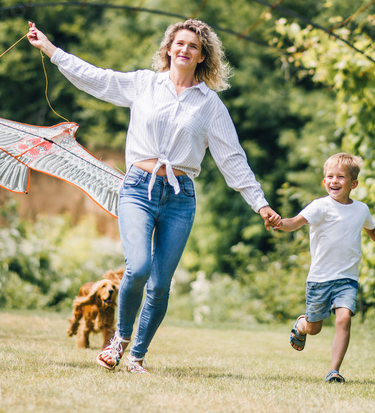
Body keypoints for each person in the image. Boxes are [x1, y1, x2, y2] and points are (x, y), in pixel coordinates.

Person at [27, 19, 282, 373]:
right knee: (139, 268)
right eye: (179, 43)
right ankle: (119, 340)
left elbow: (232, 158)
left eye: (193, 46)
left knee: (160, 284)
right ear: (168, 48)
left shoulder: (210, 105)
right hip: (137, 188)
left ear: (202, 55)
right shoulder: (144, 84)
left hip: (180, 197)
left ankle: (137, 356)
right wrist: (52, 51)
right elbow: (96, 78)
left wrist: (260, 203)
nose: (184, 49)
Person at [277, 152, 375, 383]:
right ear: (324, 181)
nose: (334, 181)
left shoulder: (361, 210)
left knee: (344, 318)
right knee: (314, 328)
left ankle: (334, 370)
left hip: (347, 278)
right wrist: (279, 223)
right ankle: (301, 324)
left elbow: (373, 230)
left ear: (353, 183)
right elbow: (294, 223)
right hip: (319, 279)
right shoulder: (319, 207)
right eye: (330, 176)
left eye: (340, 177)